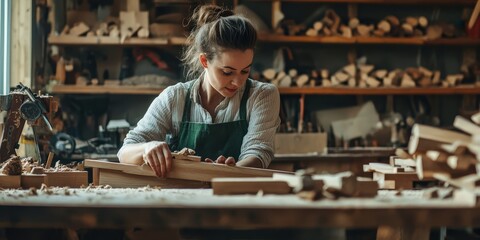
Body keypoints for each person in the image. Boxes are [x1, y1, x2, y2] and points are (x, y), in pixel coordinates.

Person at [117, 4, 280, 178]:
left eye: (245, 70)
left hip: (234, 194)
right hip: (181, 197)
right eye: (227, 72)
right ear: (204, 61)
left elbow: (258, 152)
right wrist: (146, 148)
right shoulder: (174, 97)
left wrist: (228, 174)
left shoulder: (261, 95)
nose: (238, 81)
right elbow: (125, 152)